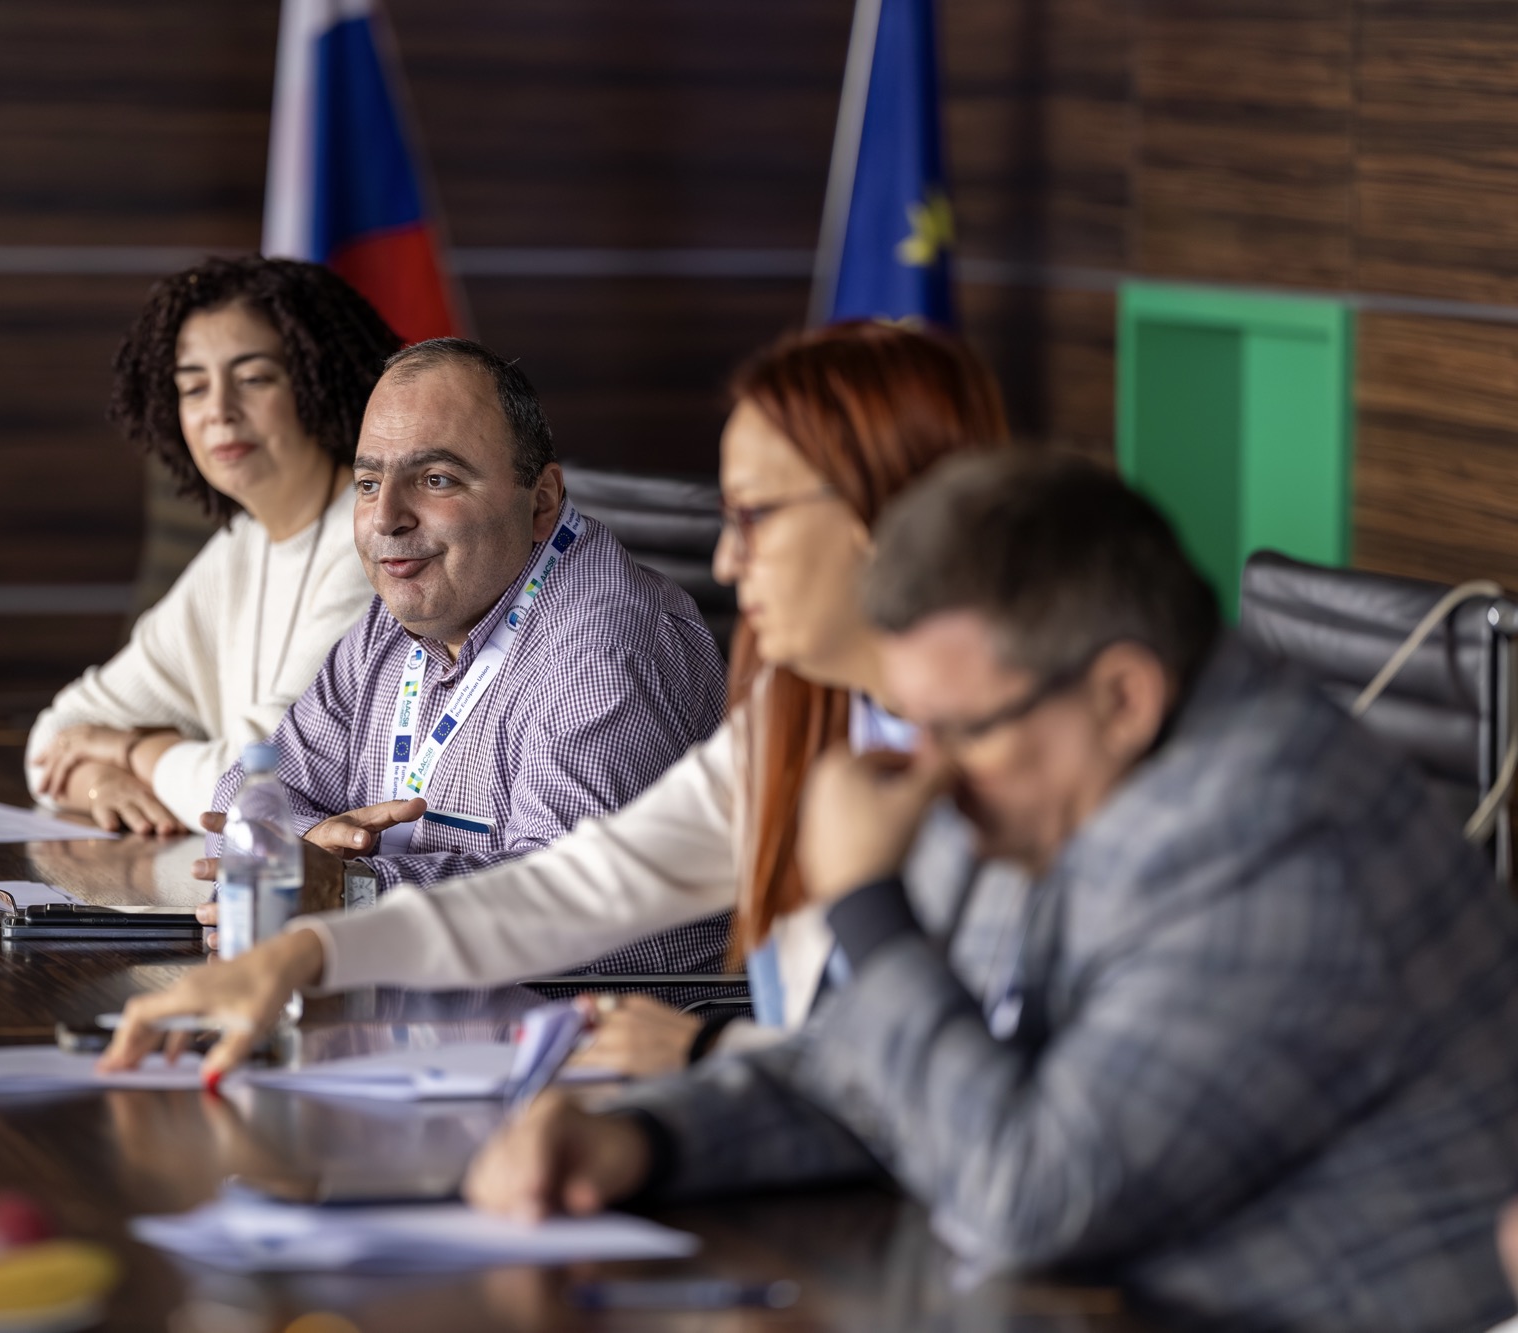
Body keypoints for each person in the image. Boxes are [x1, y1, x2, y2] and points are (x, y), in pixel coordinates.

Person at [468, 451, 1518, 1333]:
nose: (925, 771)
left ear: (1120, 697)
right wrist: (647, 1138)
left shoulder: (1280, 843)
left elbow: (1029, 1196)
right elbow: (878, 1081)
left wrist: (866, 905)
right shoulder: (1035, 772)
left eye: (957, 730)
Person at [101, 321, 1009, 1075]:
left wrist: (712, 1054)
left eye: (755, 517)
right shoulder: (799, 712)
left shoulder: (1028, 759)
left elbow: (996, 1134)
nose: (727, 563)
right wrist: (311, 942)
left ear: (881, 517)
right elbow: (582, 884)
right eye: (371, 481)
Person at [147, 334, 730, 981]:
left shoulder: (606, 650)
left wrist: (349, 889)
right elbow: (242, 801)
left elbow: (564, 920)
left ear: (541, 502)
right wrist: (305, 861)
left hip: (587, 1047)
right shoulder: (395, 619)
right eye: (369, 482)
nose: (387, 517)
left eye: (435, 478)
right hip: (413, 1025)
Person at [26, 257, 398, 834]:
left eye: (253, 379)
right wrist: (98, 781)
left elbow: (264, 787)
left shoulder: (379, 539)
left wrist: (130, 753)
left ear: (319, 380)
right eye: (194, 387)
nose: (219, 411)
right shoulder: (239, 546)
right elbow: (56, 734)